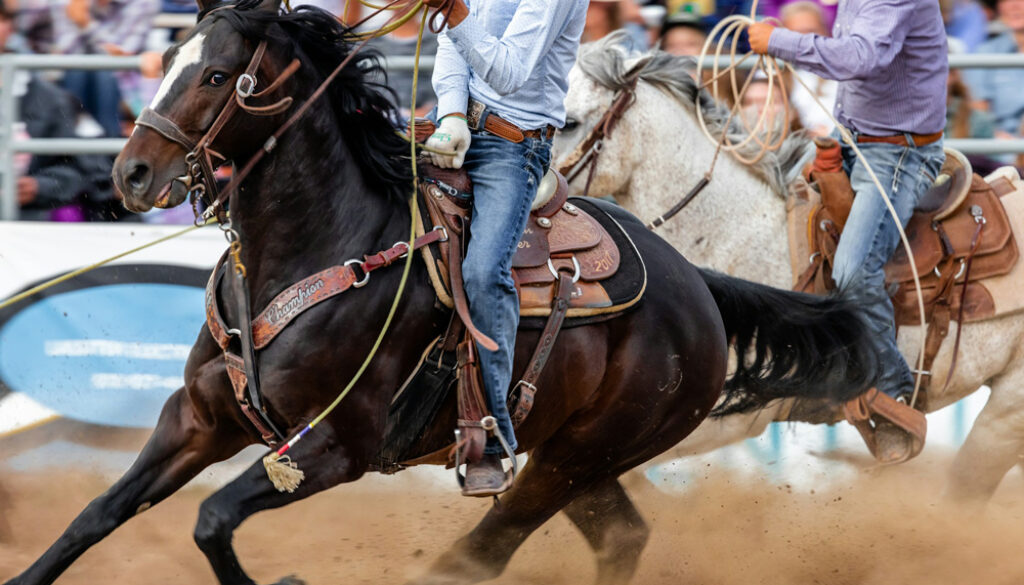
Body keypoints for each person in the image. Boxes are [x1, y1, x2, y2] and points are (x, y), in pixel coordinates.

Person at [748, 0, 947, 462]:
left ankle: (894, 390)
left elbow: (859, 58)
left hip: (897, 155)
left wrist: (778, 41)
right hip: (856, 139)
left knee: (856, 268)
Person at [423, 0, 587, 496]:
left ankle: (494, 434)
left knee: (482, 272)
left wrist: (454, 13)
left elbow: (509, 72)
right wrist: (451, 113)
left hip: (514, 147)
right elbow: (451, 47)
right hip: (455, 121)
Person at [51, 0, 160, 138]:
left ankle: (107, 143)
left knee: (104, 75)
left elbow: (123, 53)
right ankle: (73, 144)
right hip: (76, 77)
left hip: (126, 81)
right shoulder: (65, 3)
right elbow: (67, 51)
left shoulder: (143, 2)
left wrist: (85, 23)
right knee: (77, 72)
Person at [966, 0, 1024, 139]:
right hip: (1002, 150)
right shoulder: (985, 52)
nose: (1013, 5)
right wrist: (1000, 139)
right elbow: (978, 110)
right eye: (1005, 0)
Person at [778, 1, 836, 136]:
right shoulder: (768, 75)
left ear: (826, 32)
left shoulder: (843, 77)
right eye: (797, 33)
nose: (805, 40)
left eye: (811, 31)